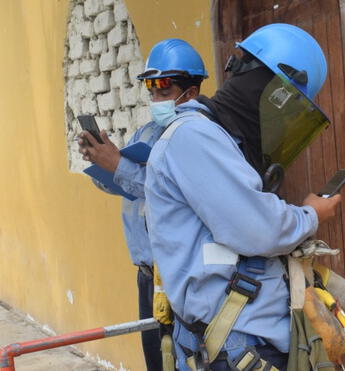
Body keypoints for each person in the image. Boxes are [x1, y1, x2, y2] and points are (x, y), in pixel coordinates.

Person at [143, 24, 345, 371]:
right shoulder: (195, 137)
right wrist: (311, 214)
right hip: (235, 347)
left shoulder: (217, 140)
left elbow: (260, 254)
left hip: (247, 343)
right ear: (276, 94)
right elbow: (260, 232)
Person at [77, 38, 209, 371]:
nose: (155, 100)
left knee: (184, 360)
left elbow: (172, 193)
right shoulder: (148, 132)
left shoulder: (196, 135)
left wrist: (117, 165)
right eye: (151, 91)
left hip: (180, 276)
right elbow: (125, 184)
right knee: (156, 359)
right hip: (148, 274)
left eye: (163, 91)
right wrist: (101, 161)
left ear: (189, 94)